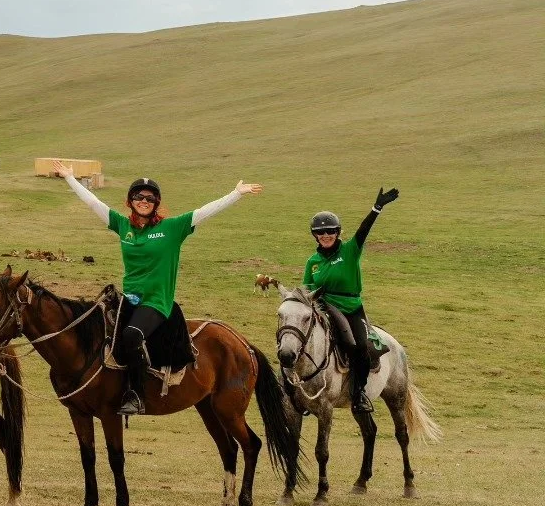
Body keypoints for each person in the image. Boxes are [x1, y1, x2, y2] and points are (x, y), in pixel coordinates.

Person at [56, 163, 262, 415]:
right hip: (128, 299)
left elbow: (205, 212)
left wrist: (236, 193)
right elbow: (93, 203)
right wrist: (70, 178)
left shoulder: (172, 228)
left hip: (156, 302)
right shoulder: (122, 225)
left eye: (150, 198)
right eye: (139, 196)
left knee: (132, 336)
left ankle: (137, 395)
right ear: (130, 201)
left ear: (156, 203)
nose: (144, 201)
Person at [303, 187, 399, 414]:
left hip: (350, 309)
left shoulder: (350, 250)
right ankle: (302, 392)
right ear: (315, 235)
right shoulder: (312, 262)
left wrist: (376, 208)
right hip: (323, 308)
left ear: (338, 233)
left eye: (330, 231)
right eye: (320, 232)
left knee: (359, 347)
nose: (326, 235)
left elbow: (363, 231)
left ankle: (359, 393)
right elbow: (307, 290)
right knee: (300, 342)